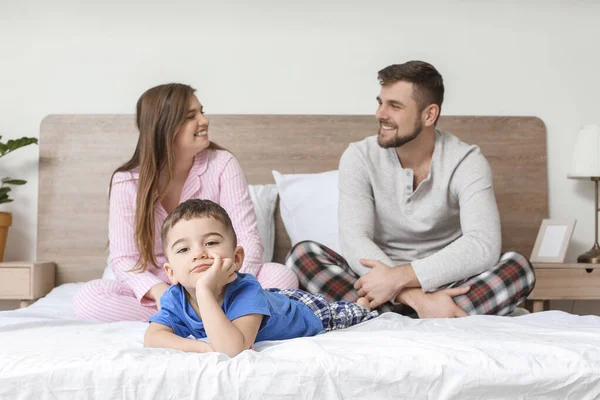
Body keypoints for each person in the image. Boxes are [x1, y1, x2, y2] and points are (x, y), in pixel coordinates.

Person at [286, 61, 536, 318]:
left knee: (518, 267)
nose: (380, 114)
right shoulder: (359, 156)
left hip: (446, 283)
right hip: (377, 283)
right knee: (302, 256)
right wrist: (411, 296)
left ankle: (380, 319)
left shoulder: (466, 161)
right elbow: (355, 239)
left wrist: (402, 277)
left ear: (429, 115)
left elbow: (483, 244)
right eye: (380, 102)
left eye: (394, 106)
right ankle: (431, 316)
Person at [73, 83, 298, 322]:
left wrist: (221, 285)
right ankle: (203, 317)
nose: (204, 121)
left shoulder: (222, 164)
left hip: (222, 281)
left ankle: (195, 317)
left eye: (202, 111)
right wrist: (163, 294)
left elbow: (247, 239)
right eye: (191, 116)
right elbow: (124, 259)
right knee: (89, 298)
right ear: (164, 126)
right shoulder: (126, 182)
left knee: (281, 277)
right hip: (163, 287)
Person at [144, 199, 378, 356]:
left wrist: (205, 289)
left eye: (211, 243)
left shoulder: (244, 290)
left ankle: (363, 303)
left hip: (304, 311)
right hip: (270, 301)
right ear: (171, 273)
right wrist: (201, 348)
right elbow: (153, 338)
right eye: (183, 249)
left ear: (236, 258)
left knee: (348, 313)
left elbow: (231, 350)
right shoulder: (176, 297)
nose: (199, 253)